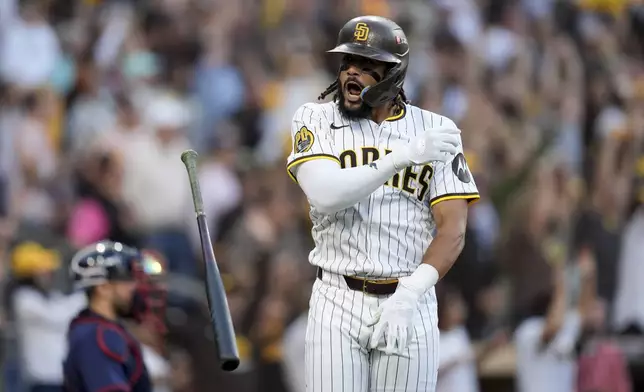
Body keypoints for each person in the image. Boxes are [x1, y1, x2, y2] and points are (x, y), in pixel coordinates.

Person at [286, 15, 479, 392]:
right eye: (347, 63)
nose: (351, 73)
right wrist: (399, 158)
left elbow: (453, 230)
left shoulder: (435, 131)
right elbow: (325, 195)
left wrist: (410, 293)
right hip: (337, 299)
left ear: (393, 73)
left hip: (410, 300)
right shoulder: (315, 117)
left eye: (366, 65)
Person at [63, 240, 166, 392]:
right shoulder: (97, 335)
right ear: (103, 287)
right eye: (126, 280)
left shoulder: (101, 329)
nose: (134, 287)